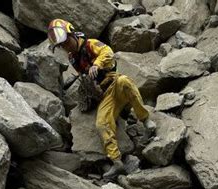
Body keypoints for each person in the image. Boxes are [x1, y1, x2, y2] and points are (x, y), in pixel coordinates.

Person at [48, 19, 156, 180]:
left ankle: (146, 120)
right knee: (101, 124)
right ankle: (117, 162)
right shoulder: (72, 58)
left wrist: (97, 65)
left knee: (125, 81)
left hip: (114, 84)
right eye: (61, 46)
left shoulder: (90, 44)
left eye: (66, 42)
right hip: (104, 95)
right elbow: (83, 74)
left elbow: (107, 52)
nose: (66, 47)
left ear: (72, 34)